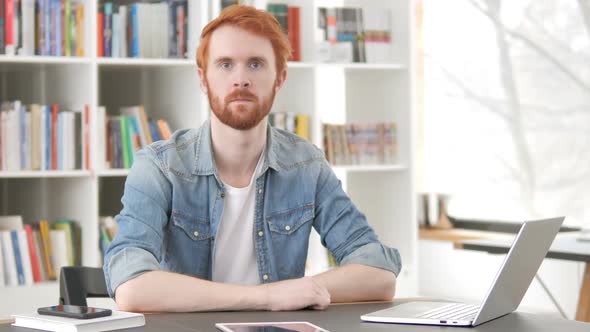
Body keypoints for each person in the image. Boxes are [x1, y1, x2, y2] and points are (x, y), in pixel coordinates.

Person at [103, 5, 401, 312]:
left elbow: (378, 273)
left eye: (256, 64)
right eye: (225, 64)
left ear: (280, 78)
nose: (241, 79)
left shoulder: (306, 166)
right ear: (203, 79)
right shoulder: (159, 167)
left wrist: (306, 290)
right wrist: (268, 296)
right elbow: (131, 285)